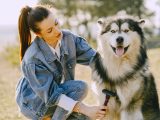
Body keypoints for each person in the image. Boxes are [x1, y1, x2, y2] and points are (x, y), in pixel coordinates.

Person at [16, 5, 107, 120]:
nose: (58, 31)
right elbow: (51, 96)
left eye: (56, 23)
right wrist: (85, 109)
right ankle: (48, 117)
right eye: (50, 30)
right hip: (34, 104)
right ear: (39, 35)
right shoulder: (33, 58)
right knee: (80, 87)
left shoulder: (68, 39)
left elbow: (94, 59)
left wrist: (112, 72)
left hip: (56, 96)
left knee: (86, 119)